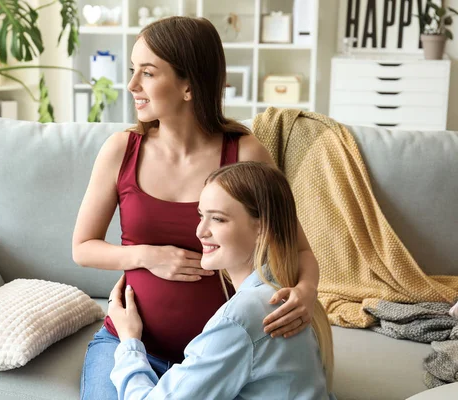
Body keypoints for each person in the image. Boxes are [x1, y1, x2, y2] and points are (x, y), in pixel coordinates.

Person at [72, 16, 321, 400]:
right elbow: (82, 247)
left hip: (219, 356)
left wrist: (304, 293)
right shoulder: (121, 150)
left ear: (188, 84)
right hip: (127, 340)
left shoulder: (243, 152)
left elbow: (294, 245)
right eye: (133, 70)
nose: (132, 85)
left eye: (148, 73)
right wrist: (148, 256)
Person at [108, 161, 335, 399]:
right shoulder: (286, 293)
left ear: (262, 228)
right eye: (201, 216)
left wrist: (129, 342)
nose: (200, 231)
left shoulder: (243, 317)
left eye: (218, 219)